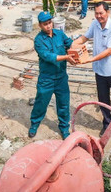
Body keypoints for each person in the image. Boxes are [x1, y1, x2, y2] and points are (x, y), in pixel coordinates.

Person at [72, 2, 111, 138]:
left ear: (107, 12)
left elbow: (109, 51)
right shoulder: (95, 24)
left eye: (101, 13)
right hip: (100, 70)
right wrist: (75, 43)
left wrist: (90, 59)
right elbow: (85, 37)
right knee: (103, 99)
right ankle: (106, 123)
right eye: (96, 13)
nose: (99, 16)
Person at [29, 11, 76, 139]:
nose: (48, 26)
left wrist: (76, 49)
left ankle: (64, 128)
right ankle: (34, 123)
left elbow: (68, 42)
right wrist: (66, 57)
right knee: (41, 102)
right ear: (40, 25)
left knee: (63, 103)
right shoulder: (38, 40)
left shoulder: (59, 34)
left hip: (61, 77)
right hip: (47, 78)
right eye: (45, 24)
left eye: (50, 23)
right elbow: (48, 56)